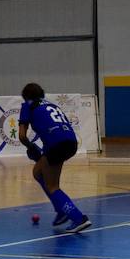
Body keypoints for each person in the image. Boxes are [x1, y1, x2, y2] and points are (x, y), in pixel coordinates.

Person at [18, 83, 91, 233]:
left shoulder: (28, 105)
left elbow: (22, 136)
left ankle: (78, 218)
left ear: (26, 96)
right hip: (70, 142)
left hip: (56, 144)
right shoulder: (51, 105)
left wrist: (31, 147)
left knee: (52, 186)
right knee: (38, 172)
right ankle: (61, 209)